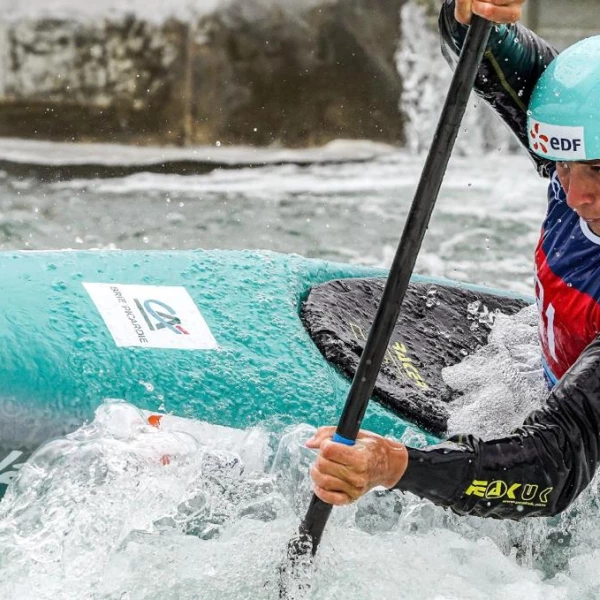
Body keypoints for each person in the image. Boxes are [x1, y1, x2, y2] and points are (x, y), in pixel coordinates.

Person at [308, 0, 600, 519]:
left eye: (597, 170)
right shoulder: (580, 140)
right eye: (562, 166)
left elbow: (554, 471)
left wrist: (397, 467)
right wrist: (471, 15)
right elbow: (496, 59)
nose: (574, 194)